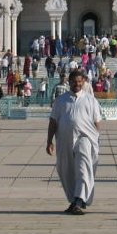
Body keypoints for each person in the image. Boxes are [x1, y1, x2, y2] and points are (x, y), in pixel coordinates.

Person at [46, 69, 101, 215]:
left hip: (85, 138)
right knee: (66, 170)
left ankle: (79, 200)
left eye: (79, 82)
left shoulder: (90, 100)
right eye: (74, 82)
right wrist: (49, 141)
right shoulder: (61, 100)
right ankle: (74, 199)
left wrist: (96, 139)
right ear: (69, 82)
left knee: (83, 168)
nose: (77, 84)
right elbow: (53, 121)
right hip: (64, 139)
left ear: (83, 82)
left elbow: (97, 122)